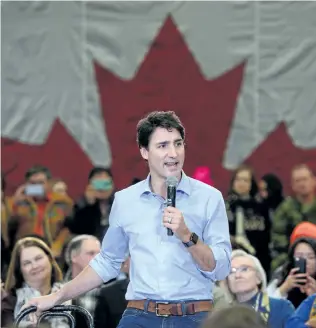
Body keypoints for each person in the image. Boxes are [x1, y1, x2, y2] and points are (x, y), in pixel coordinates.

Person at [21, 110, 232, 328]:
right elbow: (107, 262)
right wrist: (56, 297)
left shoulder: (209, 198)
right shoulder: (125, 200)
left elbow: (221, 269)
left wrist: (188, 236)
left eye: (178, 144)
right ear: (144, 152)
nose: (173, 153)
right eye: (162, 146)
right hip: (140, 315)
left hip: (194, 315)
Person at [214, 250, 294, 328]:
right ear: (227, 282)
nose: (237, 275)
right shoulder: (223, 316)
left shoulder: (281, 307)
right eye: (231, 271)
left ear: (258, 278)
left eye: (244, 269)